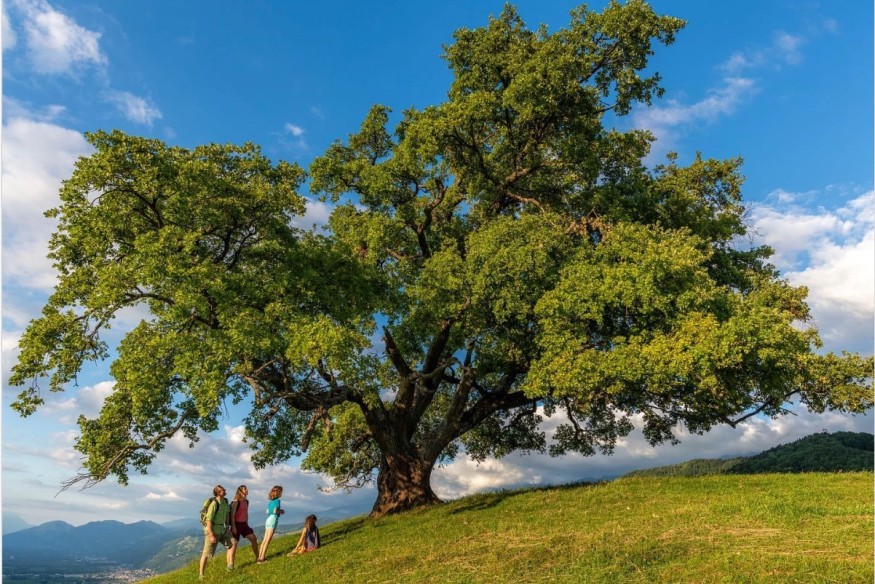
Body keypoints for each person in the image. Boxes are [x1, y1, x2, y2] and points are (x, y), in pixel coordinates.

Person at [199, 485, 233, 580]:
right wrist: (211, 535)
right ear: (218, 492)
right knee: (206, 553)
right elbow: (208, 520)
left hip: (222, 529)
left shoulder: (225, 501)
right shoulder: (214, 504)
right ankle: (201, 575)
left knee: (232, 543)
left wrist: (227, 526)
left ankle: (230, 566)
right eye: (223, 490)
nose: (225, 490)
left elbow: (227, 514)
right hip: (213, 530)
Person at [228, 485, 259, 568]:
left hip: (244, 524)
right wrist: (233, 527)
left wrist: (247, 523)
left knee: (253, 538)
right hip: (236, 525)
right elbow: (232, 515)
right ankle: (231, 565)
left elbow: (246, 513)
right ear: (240, 491)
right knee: (233, 545)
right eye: (245, 489)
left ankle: (258, 559)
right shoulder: (236, 502)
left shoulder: (246, 501)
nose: (247, 490)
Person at [257, 485, 284, 563]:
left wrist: (276, 511)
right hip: (273, 519)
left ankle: (259, 557)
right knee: (268, 540)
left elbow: (267, 511)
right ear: (278, 492)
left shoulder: (271, 501)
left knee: (264, 540)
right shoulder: (277, 501)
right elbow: (276, 511)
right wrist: (281, 511)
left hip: (268, 519)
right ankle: (262, 559)